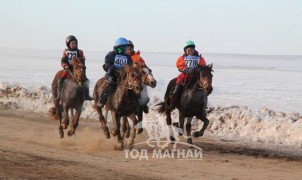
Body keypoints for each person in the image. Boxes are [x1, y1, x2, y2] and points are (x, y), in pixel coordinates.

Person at [168, 41, 206, 110]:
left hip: (196, 76)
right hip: (186, 75)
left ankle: (204, 105)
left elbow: (203, 66)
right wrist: (183, 69)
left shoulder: (200, 58)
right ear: (185, 50)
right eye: (188, 50)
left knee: (205, 86)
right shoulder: (181, 58)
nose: (190, 51)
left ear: (194, 50)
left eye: (191, 50)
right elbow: (179, 67)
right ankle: (173, 103)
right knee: (178, 84)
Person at [96, 37, 133, 108]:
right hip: (112, 75)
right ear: (120, 47)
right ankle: (102, 100)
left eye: (127, 47)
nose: (126, 48)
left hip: (124, 76)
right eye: (125, 47)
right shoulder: (111, 55)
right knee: (111, 85)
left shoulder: (128, 57)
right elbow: (107, 66)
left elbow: (130, 67)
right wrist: (116, 71)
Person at [58, 35, 93, 101]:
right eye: (72, 43)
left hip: (77, 69)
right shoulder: (66, 52)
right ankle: (60, 95)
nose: (74, 45)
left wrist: (80, 62)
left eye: (75, 43)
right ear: (69, 44)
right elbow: (63, 61)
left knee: (87, 81)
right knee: (61, 80)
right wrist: (65, 66)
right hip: (68, 69)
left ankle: (86, 96)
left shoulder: (80, 52)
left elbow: (82, 60)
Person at [125, 40, 149, 113]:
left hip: (136, 77)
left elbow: (143, 65)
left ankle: (144, 105)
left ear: (132, 49)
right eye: (127, 49)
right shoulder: (122, 56)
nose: (128, 50)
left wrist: (145, 68)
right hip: (125, 76)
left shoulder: (137, 57)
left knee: (144, 88)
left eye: (130, 49)